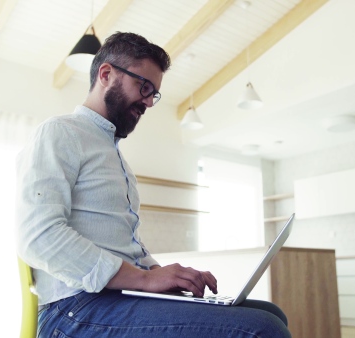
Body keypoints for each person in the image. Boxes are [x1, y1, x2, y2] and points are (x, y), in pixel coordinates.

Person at [15, 32, 291, 338]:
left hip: (113, 300)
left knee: (270, 312)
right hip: (73, 311)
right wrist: (144, 280)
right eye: (143, 87)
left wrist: (159, 274)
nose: (148, 101)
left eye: (153, 93)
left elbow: (125, 248)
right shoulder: (60, 132)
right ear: (106, 74)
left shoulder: (113, 154)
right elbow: (38, 236)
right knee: (263, 329)